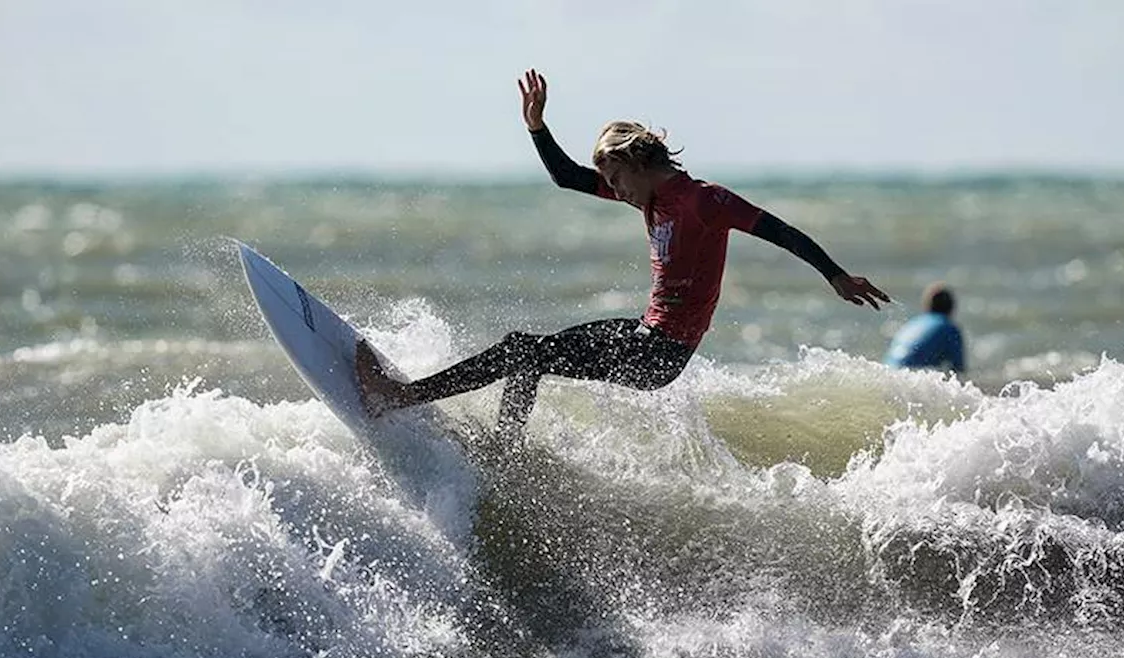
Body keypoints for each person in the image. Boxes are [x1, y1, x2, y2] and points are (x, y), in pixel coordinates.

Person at [355, 68, 891, 441]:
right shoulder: (648, 193)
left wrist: (835, 274)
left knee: (525, 352)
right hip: (645, 336)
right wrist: (536, 127)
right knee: (527, 351)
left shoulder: (705, 201)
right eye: (609, 181)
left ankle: (400, 399)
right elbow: (566, 177)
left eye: (615, 178)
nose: (615, 190)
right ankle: (505, 450)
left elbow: (781, 231)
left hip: (660, 354)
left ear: (638, 161)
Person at [883, 281, 965, 372]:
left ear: (927, 305)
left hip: (889, 369)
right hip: (912, 373)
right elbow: (959, 369)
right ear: (952, 307)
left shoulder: (913, 324)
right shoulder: (950, 328)